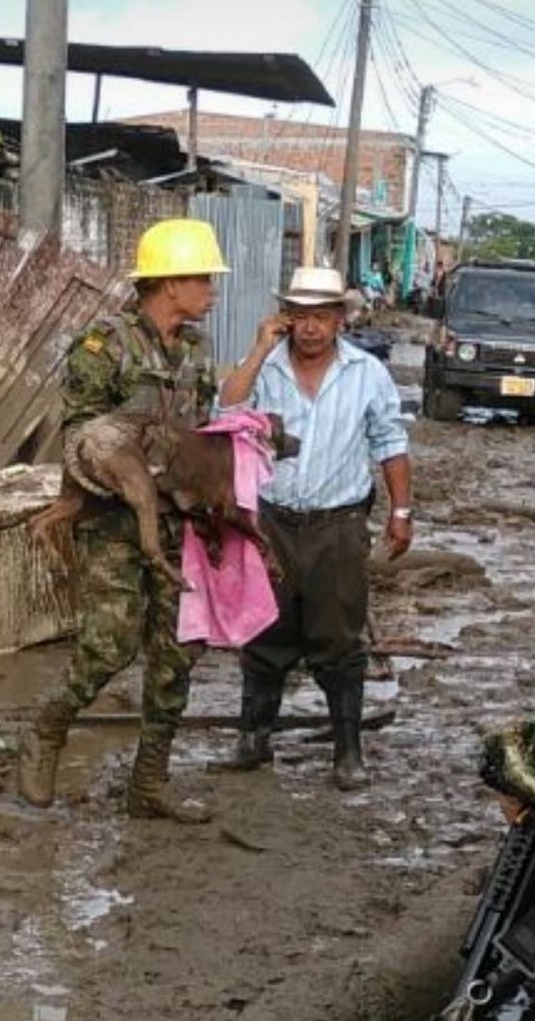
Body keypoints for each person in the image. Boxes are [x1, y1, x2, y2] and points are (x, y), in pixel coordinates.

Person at [17, 217, 230, 823]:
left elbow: (198, 433)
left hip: (177, 524)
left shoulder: (195, 349)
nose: (212, 292)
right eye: (204, 280)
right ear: (170, 283)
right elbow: (79, 434)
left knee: (176, 655)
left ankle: (149, 786)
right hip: (113, 524)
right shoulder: (103, 344)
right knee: (107, 649)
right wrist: (72, 501)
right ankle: (46, 733)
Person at [215, 266, 413, 791]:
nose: (310, 328)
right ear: (286, 318)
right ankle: (253, 741)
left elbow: (390, 443)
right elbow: (225, 409)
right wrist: (258, 349)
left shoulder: (367, 373)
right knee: (265, 632)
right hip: (271, 522)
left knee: (339, 636)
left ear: (339, 320)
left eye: (321, 317)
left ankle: (348, 753)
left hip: (339, 525)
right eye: (300, 316)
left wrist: (401, 512)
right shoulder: (265, 368)